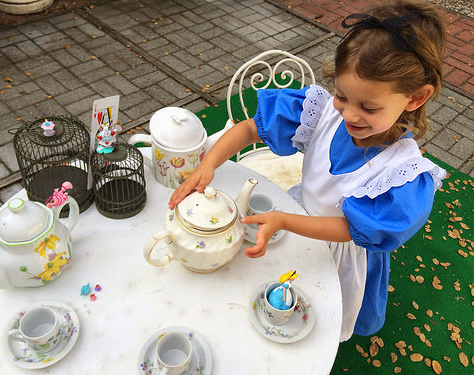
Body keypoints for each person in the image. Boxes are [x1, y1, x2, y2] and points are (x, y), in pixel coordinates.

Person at [169, 0, 447, 341]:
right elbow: (250, 129)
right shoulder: (321, 112)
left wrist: (285, 221)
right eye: (342, 96)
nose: (349, 115)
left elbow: (351, 229)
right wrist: (209, 164)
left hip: (338, 249)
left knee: (322, 315)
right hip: (296, 214)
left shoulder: (403, 172)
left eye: (369, 107)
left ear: (415, 98)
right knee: (275, 288)